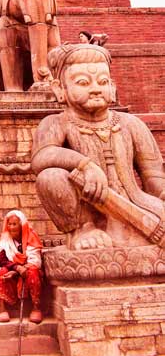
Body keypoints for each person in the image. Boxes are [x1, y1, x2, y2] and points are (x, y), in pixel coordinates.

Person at [32, 43, 165, 251]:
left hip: (138, 205)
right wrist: (85, 165)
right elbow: (42, 156)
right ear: (60, 89)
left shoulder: (131, 124)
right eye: (83, 82)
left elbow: (154, 178)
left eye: (102, 81)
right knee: (50, 176)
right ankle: (83, 230)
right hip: (89, 209)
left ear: (112, 87)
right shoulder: (57, 123)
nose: (95, 89)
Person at [0, 209, 43, 324]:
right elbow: (2, 260)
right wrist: (17, 268)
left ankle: (36, 307)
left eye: (14, 224)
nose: (11, 227)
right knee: (3, 272)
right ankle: (2, 309)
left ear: (21, 225)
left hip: (28, 270)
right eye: (9, 224)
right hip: (16, 269)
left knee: (33, 271)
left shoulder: (31, 236)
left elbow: (36, 261)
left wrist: (18, 271)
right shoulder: (6, 238)